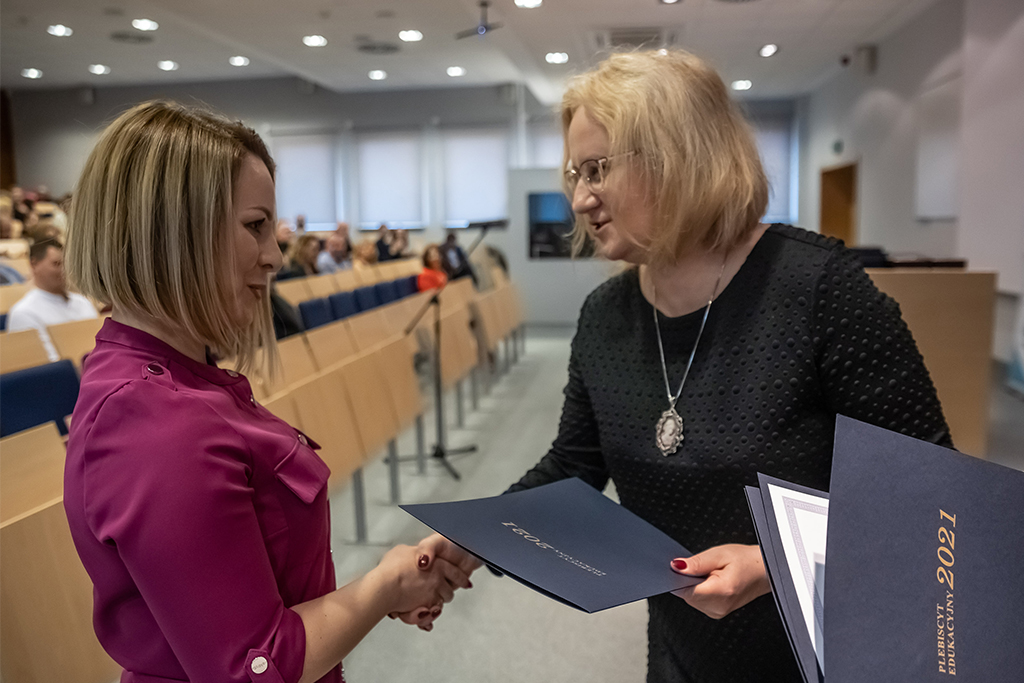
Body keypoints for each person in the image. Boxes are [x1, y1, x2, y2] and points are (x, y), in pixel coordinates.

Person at [505, 49, 952, 683]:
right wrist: (469, 538)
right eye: (575, 173)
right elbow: (574, 466)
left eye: (598, 169)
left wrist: (774, 563)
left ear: (678, 156)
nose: (579, 199)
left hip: (830, 648)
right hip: (683, 649)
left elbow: (931, 494)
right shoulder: (606, 315)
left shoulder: (819, 289)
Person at [62, 101, 478, 683]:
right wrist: (386, 585)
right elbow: (255, 667)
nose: (275, 257)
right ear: (176, 231)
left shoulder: (182, 379)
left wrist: (387, 588)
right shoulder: (156, 420)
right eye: (255, 227)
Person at [6, 239, 98, 360]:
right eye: (57, 264)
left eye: (66, 264)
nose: (64, 270)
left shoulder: (83, 301)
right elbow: (44, 364)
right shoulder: (24, 312)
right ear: (34, 265)